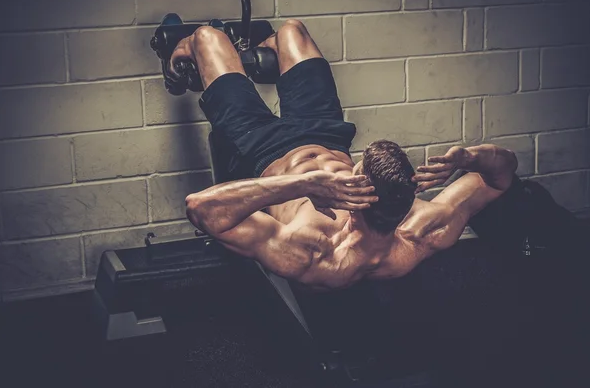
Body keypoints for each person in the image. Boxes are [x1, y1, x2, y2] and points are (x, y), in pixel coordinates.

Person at [170, 19, 522, 290]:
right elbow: (501, 176)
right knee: (293, 31)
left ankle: (177, 57)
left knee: (206, 37)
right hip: (326, 133)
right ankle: (261, 49)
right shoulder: (422, 227)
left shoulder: (314, 253)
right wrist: (468, 159)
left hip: (261, 146)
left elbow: (200, 208)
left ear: (357, 192)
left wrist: (304, 184)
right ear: (410, 192)